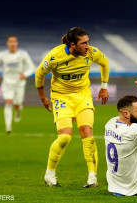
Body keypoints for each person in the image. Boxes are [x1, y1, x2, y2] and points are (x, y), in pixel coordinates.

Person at [35, 27, 110, 188]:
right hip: (61, 97)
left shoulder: (91, 53)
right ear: (72, 45)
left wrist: (104, 86)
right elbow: (39, 74)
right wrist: (43, 98)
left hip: (83, 96)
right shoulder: (55, 56)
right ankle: (50, 174)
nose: (87, 46)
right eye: (83, 43)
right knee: (64, 137)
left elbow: (105, 63)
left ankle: (92, 177)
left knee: (87, 132)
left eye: (88, 42)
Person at [0, 35, 36, 134]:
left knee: (17, 104)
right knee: (9, 102)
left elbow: (32, 67)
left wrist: (25, 74)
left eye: (14, 41)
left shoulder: (23, 54)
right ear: (7, 44)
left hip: (19, 84)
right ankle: (8, 128)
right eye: (10, 42)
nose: (12, 43)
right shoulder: (2, 55)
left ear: (17, 43)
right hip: (7, 84)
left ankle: (18, 111)